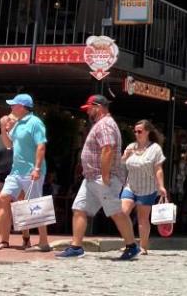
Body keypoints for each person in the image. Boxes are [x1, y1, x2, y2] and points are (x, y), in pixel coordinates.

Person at [57, 95, 139, 260]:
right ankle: (76, 247)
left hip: (101, 178)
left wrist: (105, 175)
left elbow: (107, 149)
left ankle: (131, 246)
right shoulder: (102, 124)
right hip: (91, 178)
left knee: (116, 212)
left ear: (98, 107)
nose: (87, 111)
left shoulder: (104, 125)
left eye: (89, 108)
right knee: (79, 209)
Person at [0, 93, 50, 252]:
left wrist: (37, 168)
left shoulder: (35, 123)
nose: (11, 107)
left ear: (22, 107)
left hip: (31, 171)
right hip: (16, 171)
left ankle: (44, 242)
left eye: (13, 105)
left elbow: (41, 146)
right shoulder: (17, 124)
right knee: (2, 198)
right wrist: (3, 129)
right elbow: (10, 144)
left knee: (35, 205)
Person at [120, 119, 167, 255]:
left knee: (142, 218)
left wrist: (161, 186)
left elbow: (158, 169)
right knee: (122, 213)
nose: (136, 133)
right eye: (134, 131)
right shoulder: (131, 146)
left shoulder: (155, 149)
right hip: (130, 186)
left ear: (147, 132)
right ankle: (129, 244)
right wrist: (124, 157)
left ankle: (143, 247)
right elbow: (122, 163)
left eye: (139, 131)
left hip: (147, 187)